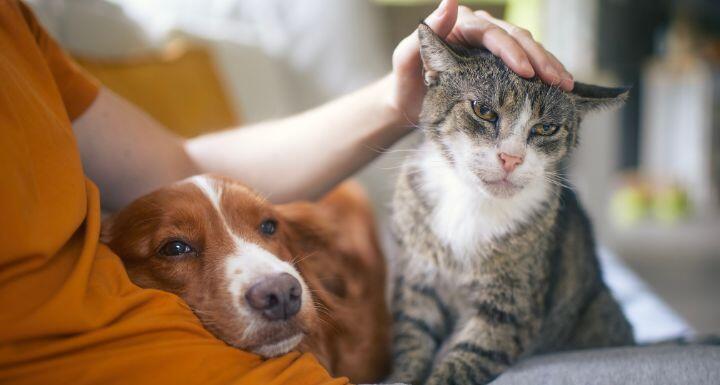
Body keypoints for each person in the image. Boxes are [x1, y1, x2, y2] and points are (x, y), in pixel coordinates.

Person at [0, 0, 572, 384]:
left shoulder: (17, 26)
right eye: (176, 248)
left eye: (266, 228)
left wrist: (401, 102)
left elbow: (177, 165)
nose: (277, 287)